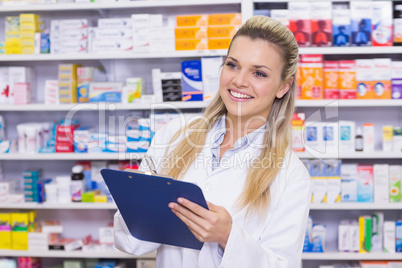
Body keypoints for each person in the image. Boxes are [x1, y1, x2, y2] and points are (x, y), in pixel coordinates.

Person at [114, 15, 311, 268]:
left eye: (259, 73)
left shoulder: (291, 176)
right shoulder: (174, 136)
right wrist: (138, 199)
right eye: (233, 65)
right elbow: (132, 243)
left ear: (283, 86)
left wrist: (227, 237)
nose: (239, 81)